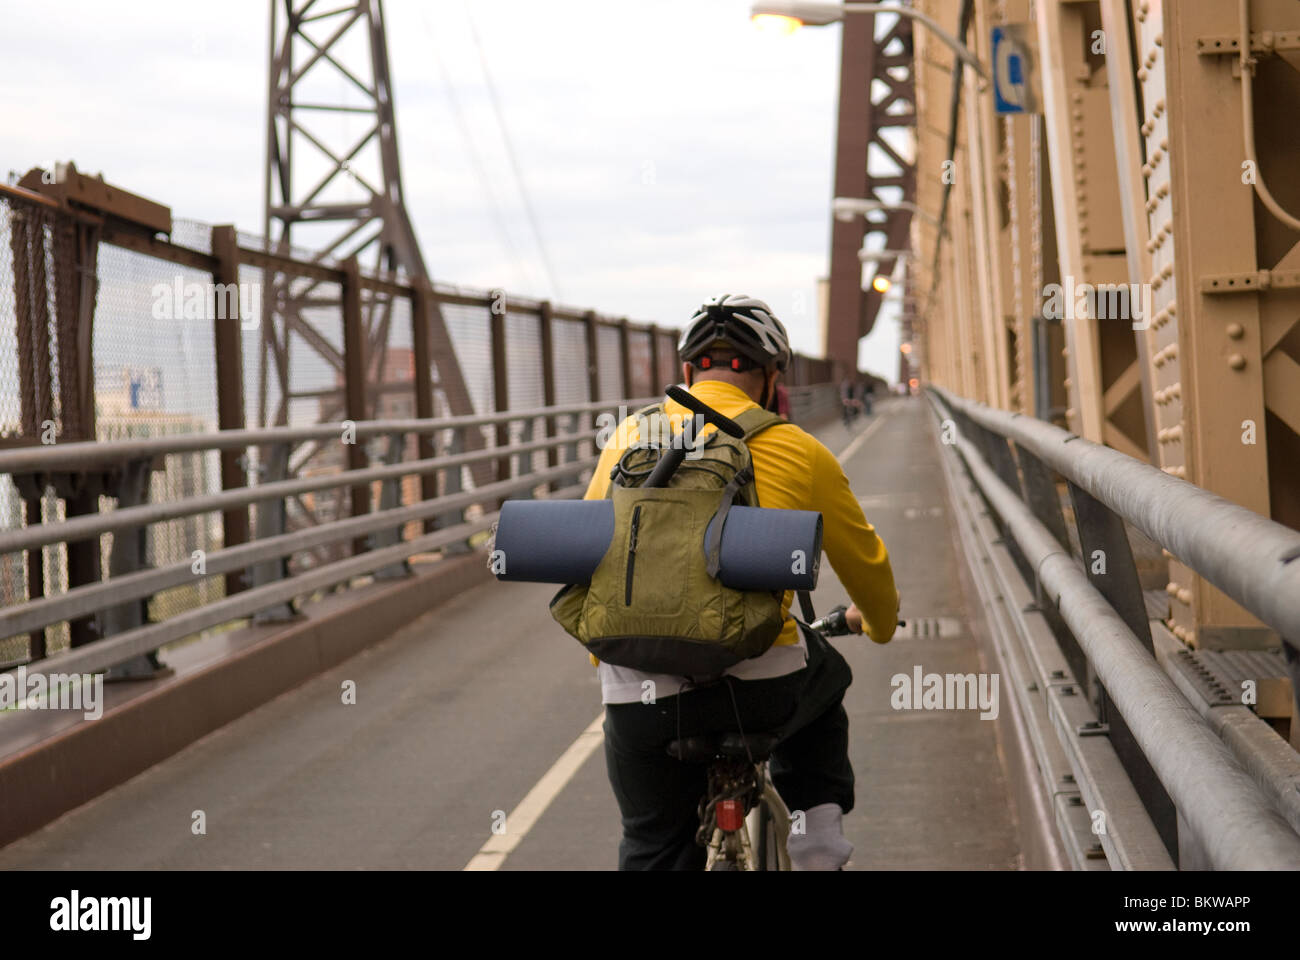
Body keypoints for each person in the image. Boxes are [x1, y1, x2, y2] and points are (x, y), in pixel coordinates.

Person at [585, 293, 899, 870]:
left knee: (652, 844)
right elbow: (867, 563)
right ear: (772, 377)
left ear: (686, 373)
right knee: (825, 677)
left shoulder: (627, 439)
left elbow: (592, 563)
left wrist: (608, 661)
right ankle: (818, 846)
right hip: (761, 681)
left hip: (642, 696)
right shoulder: (799, 450)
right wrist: (877, 626)